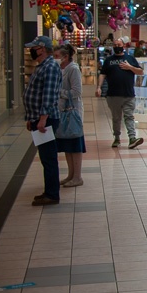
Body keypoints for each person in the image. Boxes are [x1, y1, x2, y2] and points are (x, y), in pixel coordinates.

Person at [23, 36, 62, 206]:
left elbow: (48, 95)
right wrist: (31, 117)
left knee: (48, 158)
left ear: (42, 49)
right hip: (38, 118)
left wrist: (42, 119)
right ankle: (49, 191)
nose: (31, 51)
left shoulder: (51, 67)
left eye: (34, 48)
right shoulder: (43, 66)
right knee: (45, 157)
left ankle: (52, 194)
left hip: (45, 120)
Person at [97, 37, 145, 149]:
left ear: (123, 46)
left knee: (129, 116)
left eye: (119, 44)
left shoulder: (130, 59)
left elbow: (141, 72)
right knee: (116, 118)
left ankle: (132, 138)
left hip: (129, 94)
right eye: (115, 45)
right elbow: (103, 74)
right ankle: (117, 138)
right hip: (113, 95)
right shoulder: (109, 60)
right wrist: (99, 87)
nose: (117, 47)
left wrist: (130, 67)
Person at [54, 44, 86, 187]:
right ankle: (71, 174)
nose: (55, 59)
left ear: (65, 57)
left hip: (72, 112)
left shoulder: (73, 69)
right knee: (67, 144)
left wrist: (59, 92)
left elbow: (77, 92)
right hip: (62, 111)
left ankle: (77, 176)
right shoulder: (60, 69)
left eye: (56, 56)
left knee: (75, 143)